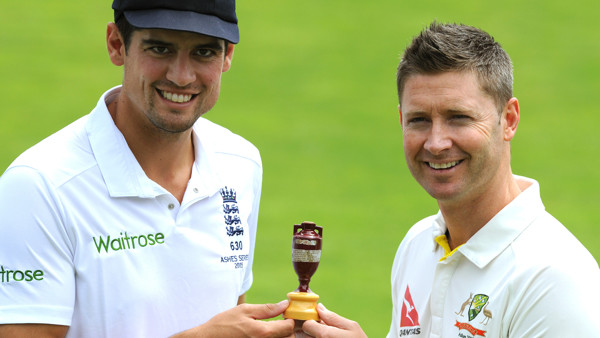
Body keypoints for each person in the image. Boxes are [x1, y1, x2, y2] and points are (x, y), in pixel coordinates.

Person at [0, 1, 295, 337]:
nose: (181, 76)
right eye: (160, 48)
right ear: (116, 45)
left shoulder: (241, 164)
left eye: (203, 52)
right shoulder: (38, 186)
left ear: (228, 56)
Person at [302, 22, 600, 337]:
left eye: (458, 117)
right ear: (401, 120)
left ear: (508, 120)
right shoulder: (418, 245)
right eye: (419, 120)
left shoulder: (553, 278)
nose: (436, 142)